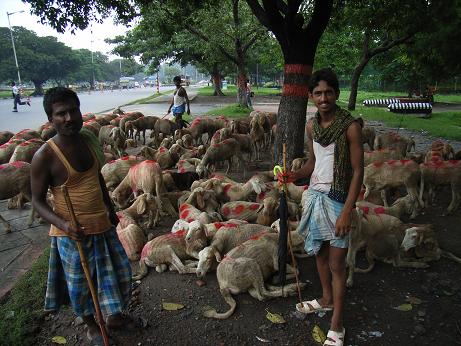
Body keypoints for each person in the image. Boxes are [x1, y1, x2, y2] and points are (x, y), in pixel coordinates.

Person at [31, 87, 137, 345]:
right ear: (50, 119)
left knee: (117, 273)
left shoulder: (88, 140)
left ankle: (113, 316)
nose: (68, 118)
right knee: (81, 285)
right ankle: (91, 324)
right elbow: (36, 201)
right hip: (72, 233)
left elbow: (97, 178)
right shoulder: (44, 156)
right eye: (61, 114)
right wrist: (64, 225)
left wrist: (111, 210)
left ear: (80, 112)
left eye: (73, 111)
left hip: (101, 222)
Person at [279, 68, 363, 346]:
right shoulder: (312, 126)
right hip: (315, 197)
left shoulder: (350, 126)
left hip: (338, 201)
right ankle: (326, 299)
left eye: (328, 92)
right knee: (319, 254)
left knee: (338, 264)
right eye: (318, 93)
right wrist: (292, 176)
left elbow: (357, 171)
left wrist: (347, 210)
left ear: (336, 94)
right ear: (311, 96)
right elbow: (314, 164)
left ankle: (337, 324)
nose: (324, 97)